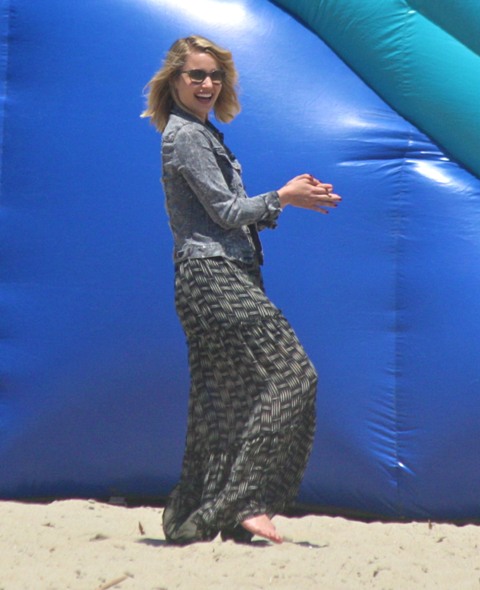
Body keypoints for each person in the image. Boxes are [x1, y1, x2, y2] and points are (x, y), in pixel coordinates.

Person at [142, 35, 341, 545]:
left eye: (215, 75)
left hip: (222, 273)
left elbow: (230, 216)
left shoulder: (203, 134)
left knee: (226, 400)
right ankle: (245, 502)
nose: (207, 84)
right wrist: (284, 197)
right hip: (213, 277)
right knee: (293, 376)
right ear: (175, 80)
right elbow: (226, 213)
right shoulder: (187, 137)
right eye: (196, 75)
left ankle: (200, 514)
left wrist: (286, 198)